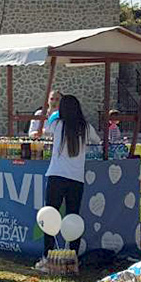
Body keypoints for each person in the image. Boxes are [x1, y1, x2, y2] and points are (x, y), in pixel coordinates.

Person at [44, 95, 99, 251]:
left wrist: (52, 110)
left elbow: (44, 131)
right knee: (73, 217)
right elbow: (96, 141)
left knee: (50, 216)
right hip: (76, 178)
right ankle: (72, 254)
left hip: (56, 175)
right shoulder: (86, 127)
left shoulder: (56, 125)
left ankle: (48, 253)